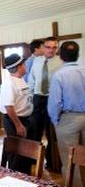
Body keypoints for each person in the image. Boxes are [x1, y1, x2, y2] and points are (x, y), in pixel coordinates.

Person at [47, 41, 85, 187]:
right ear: (78, 55)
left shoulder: (59, 75)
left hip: (69, 119)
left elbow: (55, 103)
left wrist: (56, 121)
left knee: (70, 160)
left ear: (61, 56)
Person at [28, 37, 62, 170]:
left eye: (54, 47)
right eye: (48, 47)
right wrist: (30, 97)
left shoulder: (60, 62)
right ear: (43, 47)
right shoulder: (37, 60)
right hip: (37, 98)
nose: (51, 50)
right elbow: (32, 79)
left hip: (52, 99)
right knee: (35, 131)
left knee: (51, 132)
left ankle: (52, 163)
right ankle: (33, 160)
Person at [0, 54, 34, 174]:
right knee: (17, 152)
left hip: (24, 119)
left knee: (25, 152)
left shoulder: (20, 79)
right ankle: (16, 178)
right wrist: (18, 125)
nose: (25, 66)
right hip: (15, 120)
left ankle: (26, 176)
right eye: (23, 64)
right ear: (19, 67)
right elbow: (9, 106)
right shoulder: (9, 83)